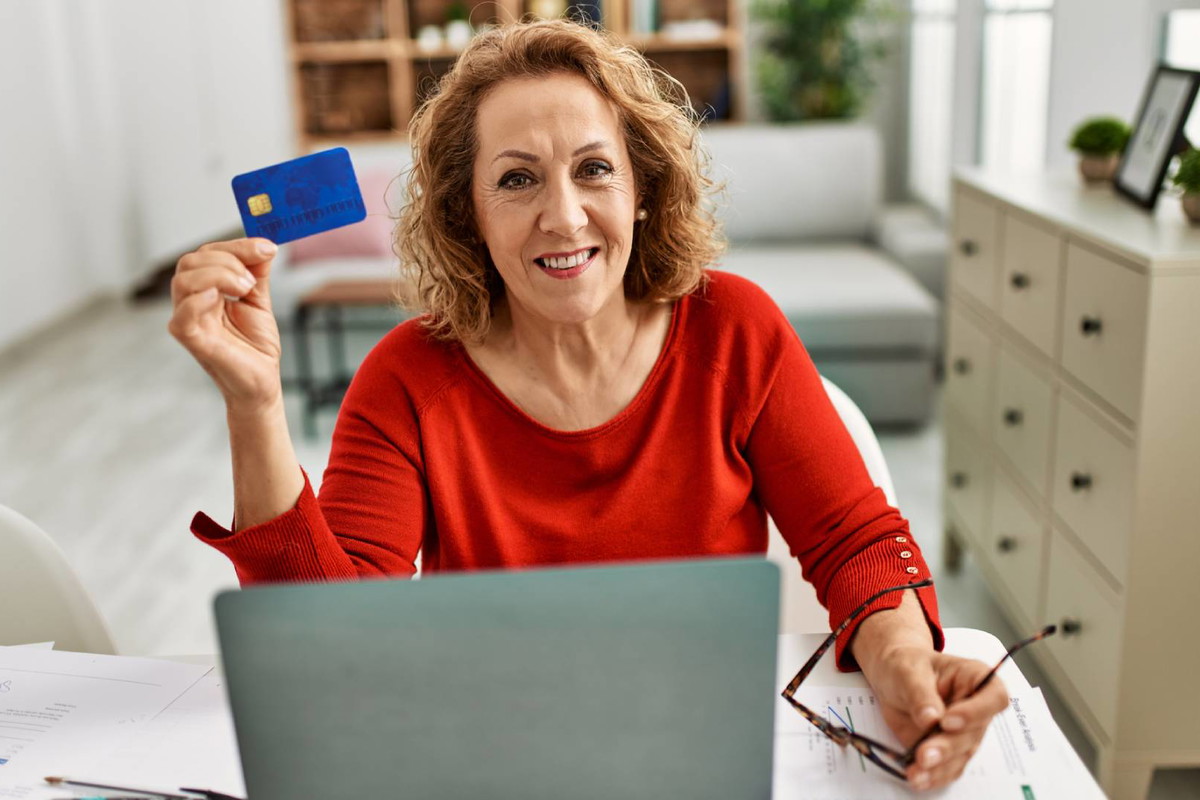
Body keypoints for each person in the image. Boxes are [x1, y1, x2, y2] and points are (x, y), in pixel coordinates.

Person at [168, 18, 1006, 790]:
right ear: (469, 213)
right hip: (489, 760)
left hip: (700, 747)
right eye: (517, 180)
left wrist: (903, 658)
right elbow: (327, 646)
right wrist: (255, 403)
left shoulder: (736, 329)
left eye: (594, 170)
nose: (564, 218)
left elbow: (854, 539)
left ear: (642, 186)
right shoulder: (405, 380)